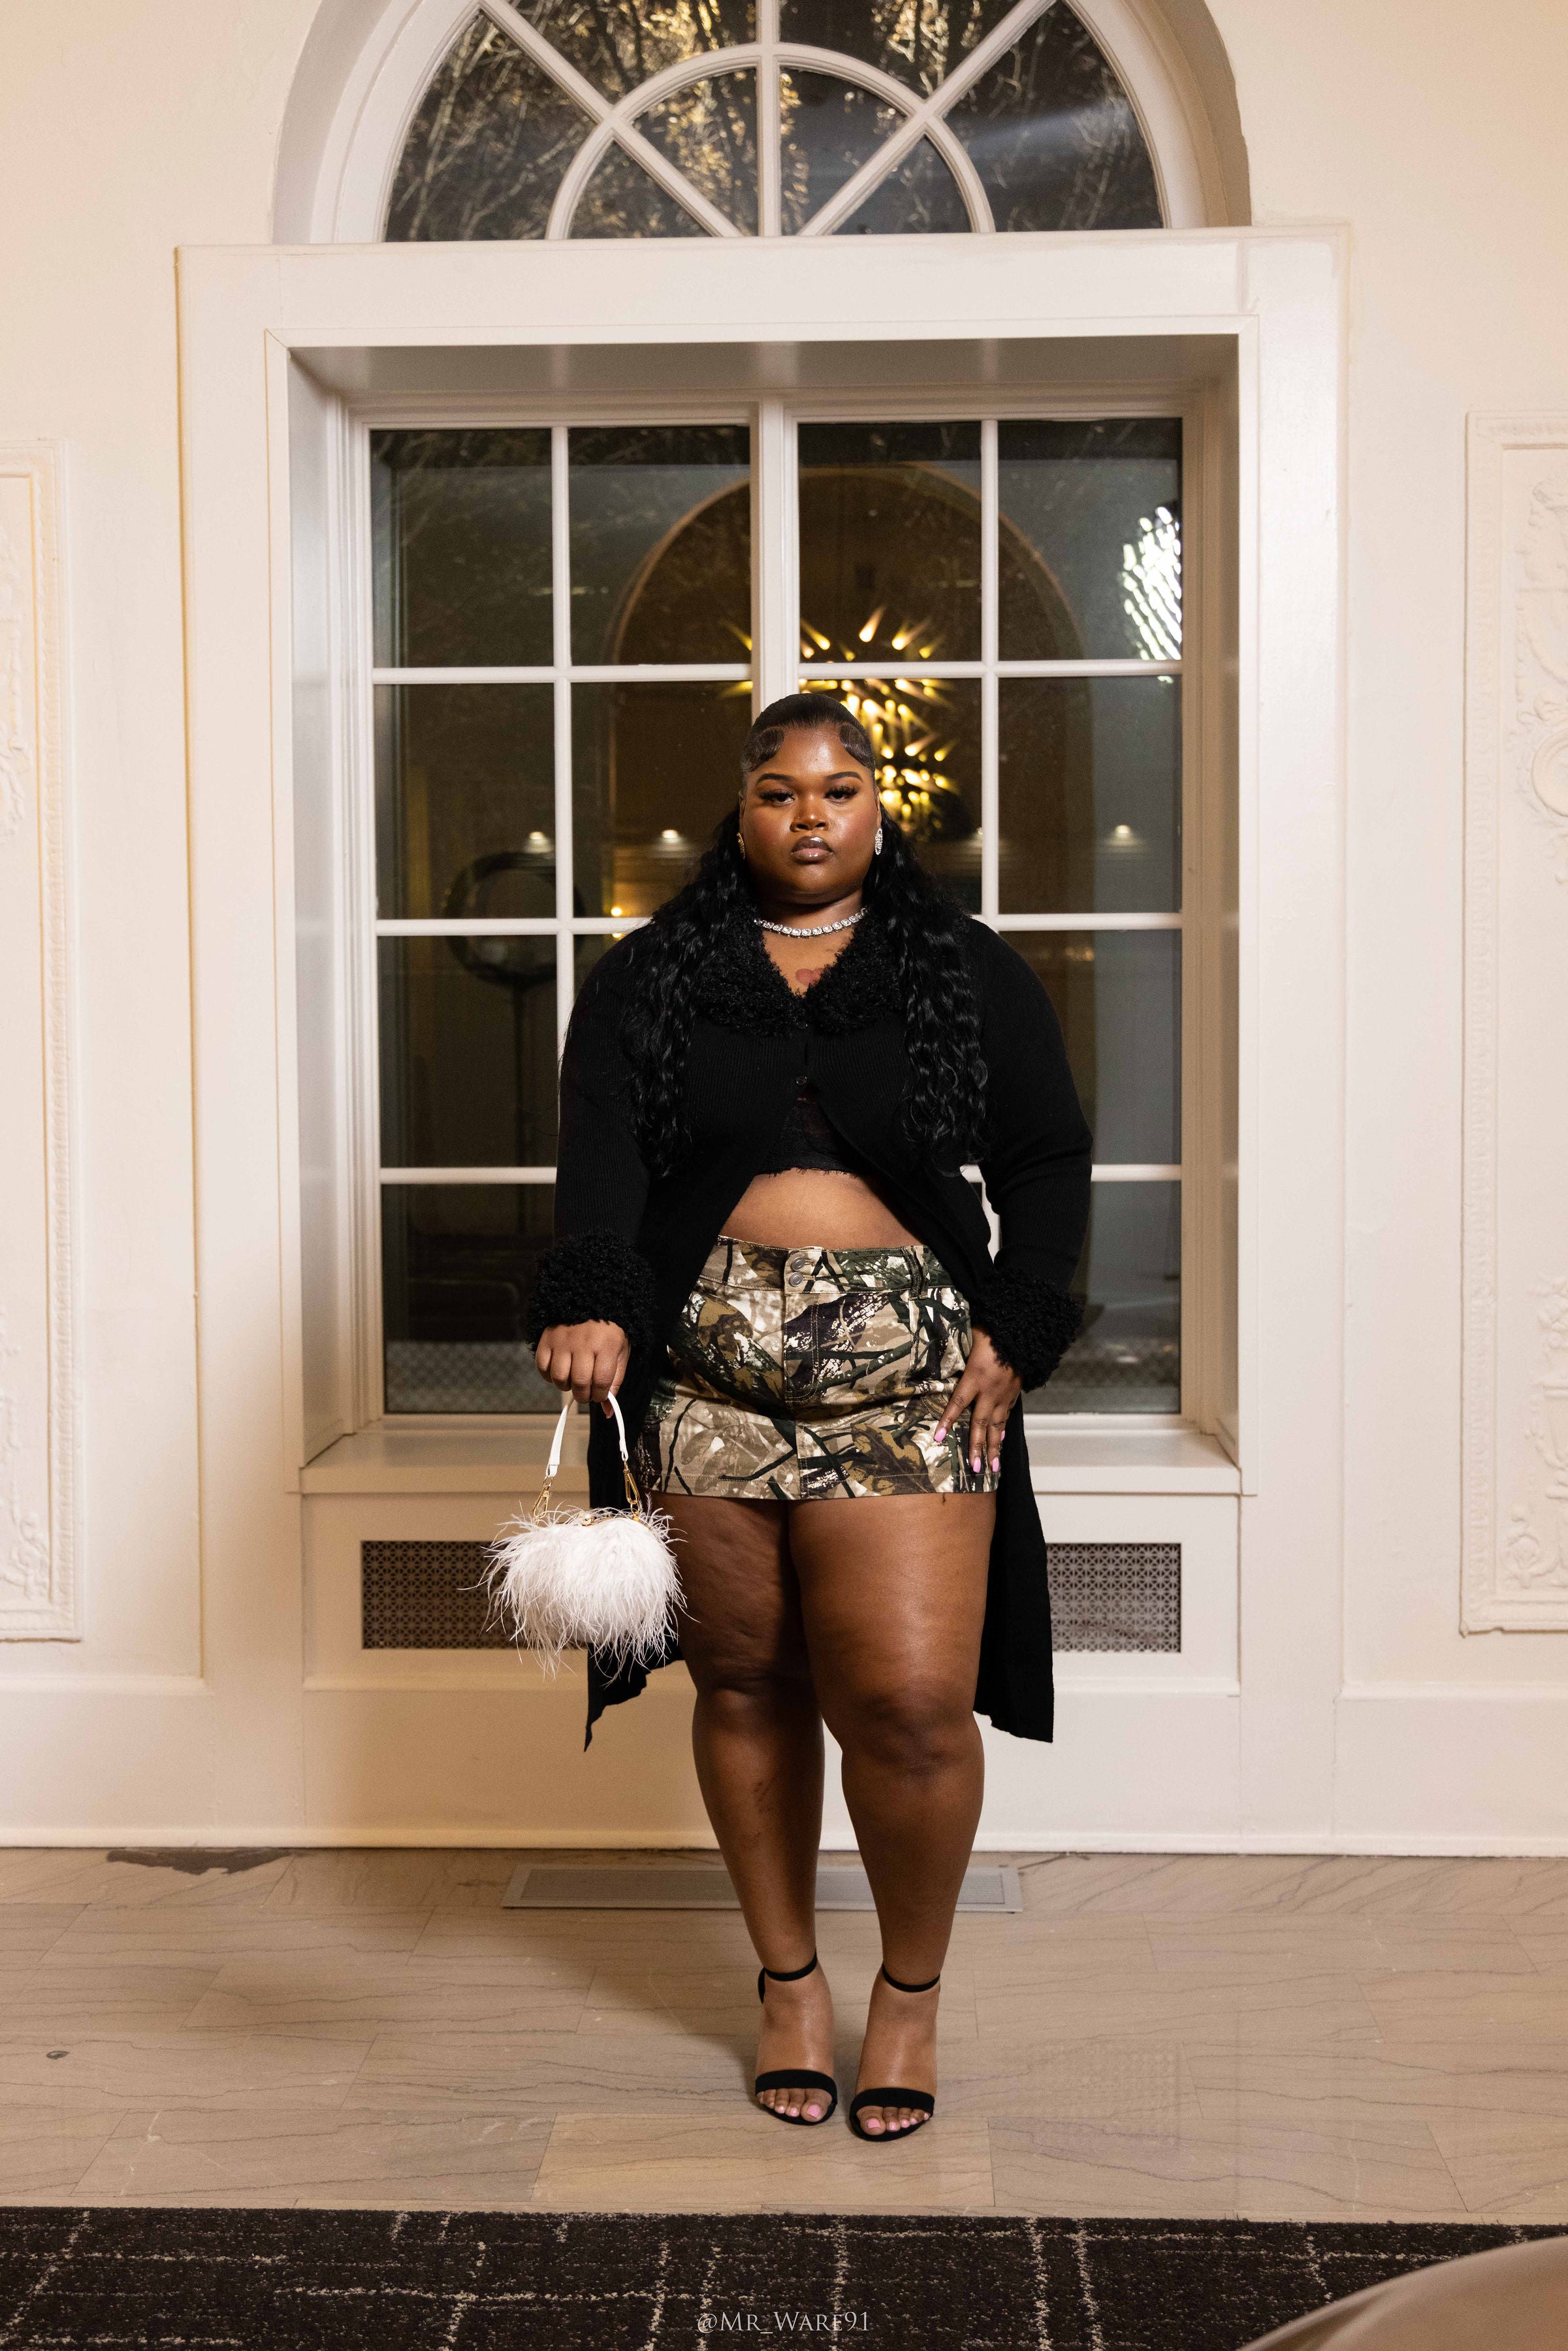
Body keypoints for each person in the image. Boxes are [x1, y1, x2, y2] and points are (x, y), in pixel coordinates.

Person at [529, 694, 1092, 2141]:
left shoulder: (961, 967)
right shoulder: (653, 972)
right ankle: (787, 1983)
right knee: (744, 1684)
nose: (810, 813)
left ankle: (907, 1996)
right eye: (779, 789)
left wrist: (1021, 1326)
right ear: (743, 809)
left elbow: (1045, 1158)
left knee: (908, 1705)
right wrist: (593, 1294)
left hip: (908, 1374)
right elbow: (599, 1153)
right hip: (700, 1376)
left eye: (839, 787)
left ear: (878, 804)